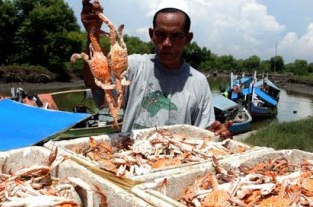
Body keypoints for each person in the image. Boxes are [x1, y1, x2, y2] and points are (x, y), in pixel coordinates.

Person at [80, 0, 231, 138]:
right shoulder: (133, 66)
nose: (167, 43)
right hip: (130, 157)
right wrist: (92, 34)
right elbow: (96, 82)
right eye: (160, 34)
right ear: (152, 34)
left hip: (177, 163)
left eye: (176, 36)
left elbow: (203, 134)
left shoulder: (198, 82)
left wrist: (216, 134)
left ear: (188, 38)